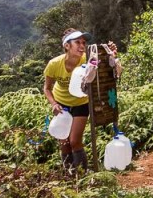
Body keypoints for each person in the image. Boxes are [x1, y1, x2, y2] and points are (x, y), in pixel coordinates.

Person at [43, 28, 118, 172]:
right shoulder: (54, 64)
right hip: (61, 104)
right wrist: (53, 103)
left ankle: (82, 173)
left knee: (75, 141)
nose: (82, 46)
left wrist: (112, 52)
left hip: (81, 103)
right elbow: (47, 88)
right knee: (64, 142)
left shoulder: (88, 59)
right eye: (77, 42)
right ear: (67, 46)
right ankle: (69, 174)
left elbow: (107, 62)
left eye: (83, 42)